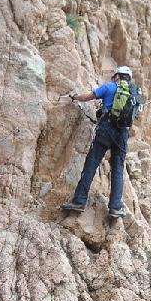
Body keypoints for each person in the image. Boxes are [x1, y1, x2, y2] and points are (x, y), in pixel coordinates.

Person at [61, 65, 135, 218]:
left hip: (106, 130)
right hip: (122, 134)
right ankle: (115, 207)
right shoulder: (134, 93)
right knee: (118, 169)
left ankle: (79, 201)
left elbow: (90, 96)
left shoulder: (109, 87)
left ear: (116, 76)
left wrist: (75, 98)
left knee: (92, 163)